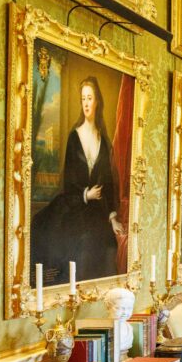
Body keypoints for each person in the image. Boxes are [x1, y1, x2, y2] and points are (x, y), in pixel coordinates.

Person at [31, 77, 124, 283]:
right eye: (83, 99)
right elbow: (69, 181)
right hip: (73, 207)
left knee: (107, 245)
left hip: (97, 212)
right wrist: (86, 194)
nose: (86, 103)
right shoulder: (75, 137)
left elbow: (108, 183)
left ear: (97, 101)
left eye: (90, 98)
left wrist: (112, 217)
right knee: (73, 242)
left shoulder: (103, 140)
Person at [104, 287, 135, 362]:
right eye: (120, 308)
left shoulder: (129, 327)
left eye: (129, 308)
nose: (125, 313)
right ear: (108, 307)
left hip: (125, 360)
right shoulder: (106, 330)